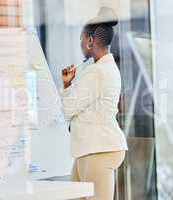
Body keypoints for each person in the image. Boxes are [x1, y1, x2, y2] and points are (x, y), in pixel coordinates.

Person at [60, 7, 128, 200]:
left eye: (81, 38)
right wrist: (68, 84)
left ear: (90, 41)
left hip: (98, 149)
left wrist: (65, 87)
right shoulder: (101, 68)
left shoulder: (97, 72)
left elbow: (66, 109)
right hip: (92, 149)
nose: (80, 42)